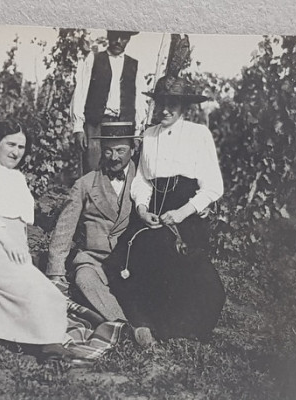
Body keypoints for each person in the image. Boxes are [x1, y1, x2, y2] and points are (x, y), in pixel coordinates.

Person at [0, 121, 91, 365]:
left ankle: (44, 339)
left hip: (10, 249)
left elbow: (21, 228)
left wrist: (19, 247)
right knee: (31, 289)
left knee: (50, 294)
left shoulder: (18, 179)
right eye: (10, 144)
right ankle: (47, 345)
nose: (16, 151)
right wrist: (7, 241)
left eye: (21, 147)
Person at [103, 75, 226, 341]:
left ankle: (177, 329)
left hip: (185, 218)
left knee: (198, 280)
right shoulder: (149, 135)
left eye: (173, 104)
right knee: (124, 262)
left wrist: (182, 212)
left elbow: (213, 187)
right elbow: (143, 181)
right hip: (153, 216)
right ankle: (141, 323)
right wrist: (143, 209)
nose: (166, 110)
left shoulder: (198, 134)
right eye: (161, 103)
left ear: (184, 107)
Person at [46, 121, 154, 346]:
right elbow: (64, 230)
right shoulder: (85, 184)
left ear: (133, 150)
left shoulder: (145, 182)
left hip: (130, 263)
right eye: (108, 150)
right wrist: (55, 273)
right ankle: (127, 329)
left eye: (121, 150)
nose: (114, 157)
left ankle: (151, 325)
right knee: (84, 278)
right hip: (95, 263)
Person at [70, 30, 146, 174]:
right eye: (114, 36)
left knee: (119, 169)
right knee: (92, 169)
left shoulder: (134, 65)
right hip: (95, 123)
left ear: (128, 39)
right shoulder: (94, 59)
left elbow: (140, 101)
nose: (118, 41)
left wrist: (137, 132)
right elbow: (81, 91)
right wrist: (78, 127)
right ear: (108, 35)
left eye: (123, 37)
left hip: (123, 124)